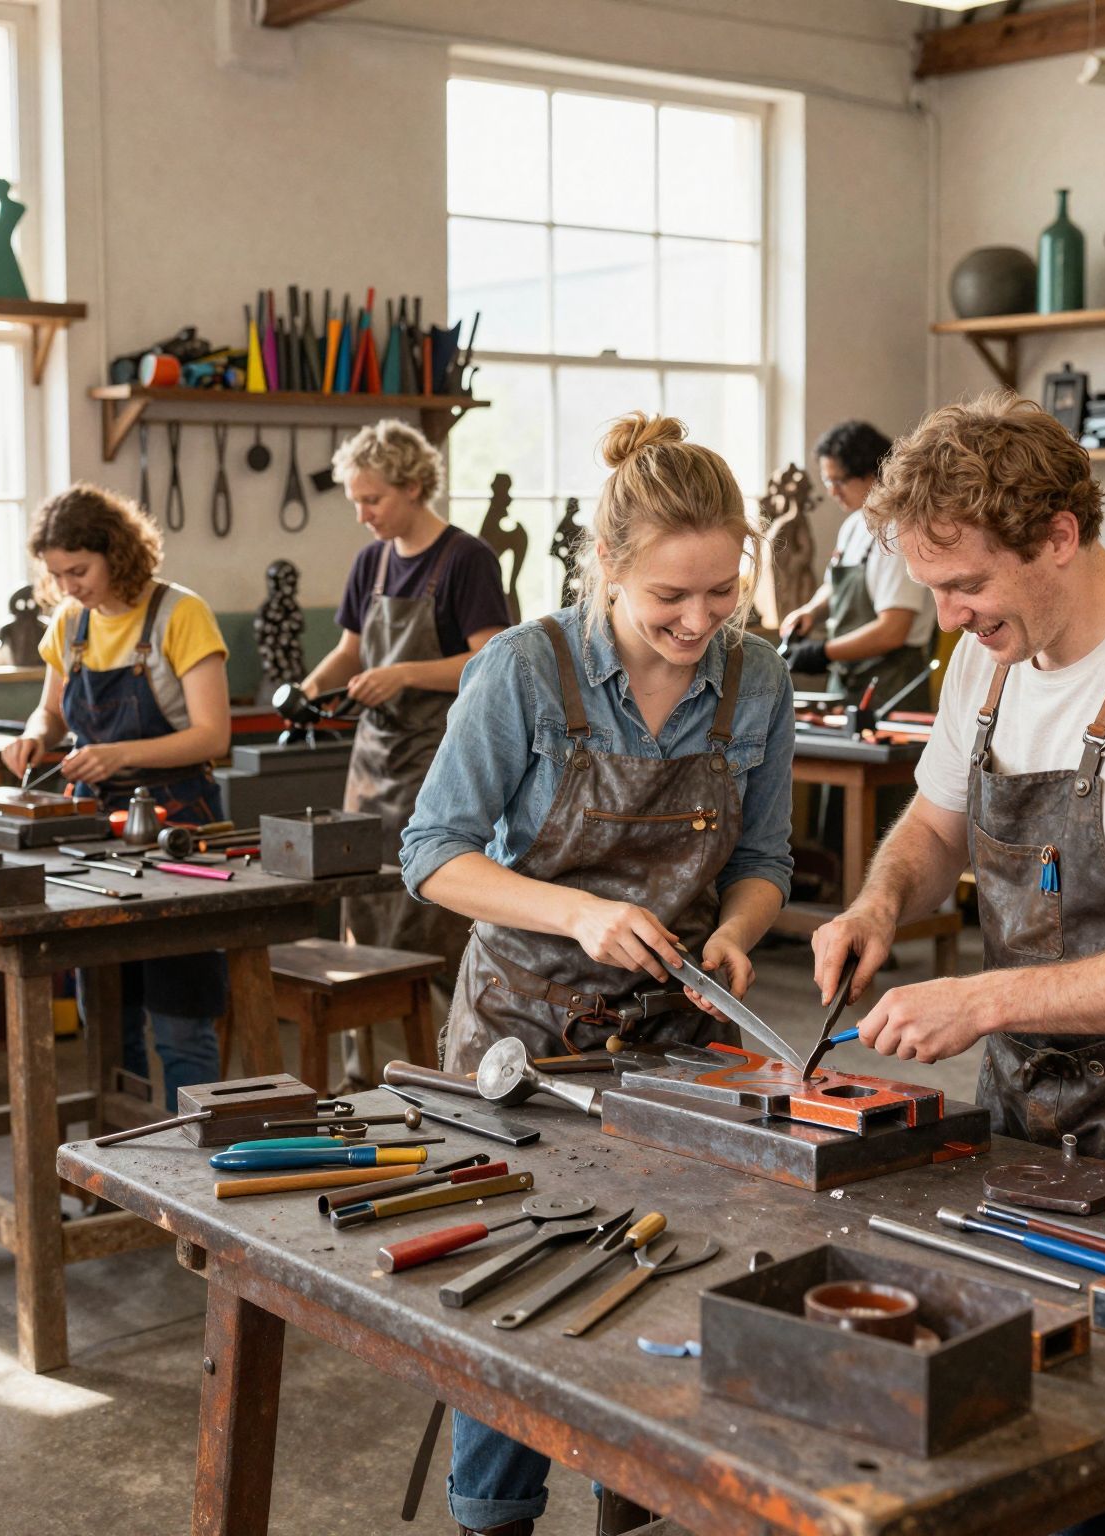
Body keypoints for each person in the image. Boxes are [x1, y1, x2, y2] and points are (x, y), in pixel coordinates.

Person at [811, 394, 1105, 1536]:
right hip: (1031, 1106)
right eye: (930, 587)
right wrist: (877, 904)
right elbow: (932, 829)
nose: (945, 614)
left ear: (1059, 536)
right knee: (1037, 1427)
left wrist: (981, 996)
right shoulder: (989, 659)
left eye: (964, 583)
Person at [400, 412, 795, 1536]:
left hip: (671, 1029)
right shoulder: (522, 669)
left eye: (721, 593)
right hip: (520, 1026)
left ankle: (636, 1503)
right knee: (516, 1287)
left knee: (659, 1276)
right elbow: (432, 856)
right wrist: (576, 912)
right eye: (669, 597)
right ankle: (494, 1516)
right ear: (606, 565)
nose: (697, 622)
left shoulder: (752, 680)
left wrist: (736, 932)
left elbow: (762, 861)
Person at [0, 484, 231, 1111]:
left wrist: (120, 754)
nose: (69, 586)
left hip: (178, 827)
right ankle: (125, 1172)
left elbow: (214, 734)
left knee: (180, 1011)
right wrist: (31, 737)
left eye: (80, 570)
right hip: (90, 834)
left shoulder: (180, 615)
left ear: (118, 553)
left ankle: (202, 1171)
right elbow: (49, 712)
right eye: (56, 574)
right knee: (106, 1011)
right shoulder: (69, 625)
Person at [296, 420, 510, 1086]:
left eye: (373, 500)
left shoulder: (467, 559)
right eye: (356, 501)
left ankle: (454, 1069)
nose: (362, 516)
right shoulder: (373, 562)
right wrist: (307, 688)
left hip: (440, 760)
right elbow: (352, 651)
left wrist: (408, 673)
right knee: (364, 912)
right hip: (372, 766)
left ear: (414, 486)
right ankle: (370, 1077)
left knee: (432, 918)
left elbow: (490, 658)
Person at [778, 419, 936, 704]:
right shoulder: (854, 525)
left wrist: (823, 652)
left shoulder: (898, 533)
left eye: (839, 481)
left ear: (872, 475)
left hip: (889, 684)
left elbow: (893, 631)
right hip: (847, 679)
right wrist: (810, 612)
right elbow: (833, 586)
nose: (832, 491)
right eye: (828, 481)